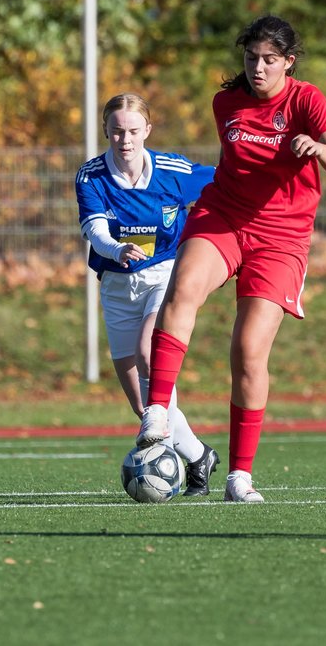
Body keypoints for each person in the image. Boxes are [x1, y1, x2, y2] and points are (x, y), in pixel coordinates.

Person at [134, 15, 326, 503]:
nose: (258, 67)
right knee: (183, 289)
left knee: (248, 351)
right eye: (251, 58)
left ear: (288, 63)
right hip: (224, 216)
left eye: (269, 60)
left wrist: (317, 147)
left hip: (282, 236)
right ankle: (157, 413)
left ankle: (239, 477)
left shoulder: (307, 100)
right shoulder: (225, 103)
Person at [75, 93, 220, 495]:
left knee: (148, 351)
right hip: (118, 288)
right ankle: (197, 456)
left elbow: (227, 181)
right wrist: (116, 249)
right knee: (144, 407)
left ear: (148, 131)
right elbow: (95, 230)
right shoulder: (91, 176)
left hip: (165, 275)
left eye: (134, 131)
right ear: (106, 131)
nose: (125, 140)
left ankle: (186, 458)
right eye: (117, 131)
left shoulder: (173, 170)